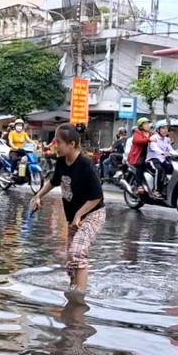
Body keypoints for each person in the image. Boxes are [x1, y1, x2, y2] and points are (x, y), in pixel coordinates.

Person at [31, 123, 105, 291]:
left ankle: (79, 297)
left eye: (58, 142)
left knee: (77, 252)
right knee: (72, 260)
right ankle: (71, 295)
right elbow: (53, 182)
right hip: (74, 217)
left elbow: (97, 196)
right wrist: (38, 196)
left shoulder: (85, 164)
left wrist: (79, 215)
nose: (54, 146)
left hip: (92, 214)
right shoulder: (61, 162)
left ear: (71, 144)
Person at [146, 120, 174, 199]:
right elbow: (154, 147)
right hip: (152, 159)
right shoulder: (153, 138)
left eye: (166, 128)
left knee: (173, 169)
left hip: (162, 160)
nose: (165, 130)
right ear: (158, 130)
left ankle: (166, 188)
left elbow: (171, 149)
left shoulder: (166, 139)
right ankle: (156, 191)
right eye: (163, 128)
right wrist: (162, 152)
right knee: (159, 170)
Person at [126, 117, 152, 194]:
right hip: (139, 155)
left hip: (149, 155)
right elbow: (138, 140)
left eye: (148, 124)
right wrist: (149, 140)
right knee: (140, 164)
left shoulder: (150, 133)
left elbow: (157, 138)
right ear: (141, 126)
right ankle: (138, 185)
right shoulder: (137, 133)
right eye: (145, 124)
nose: (147, 125)